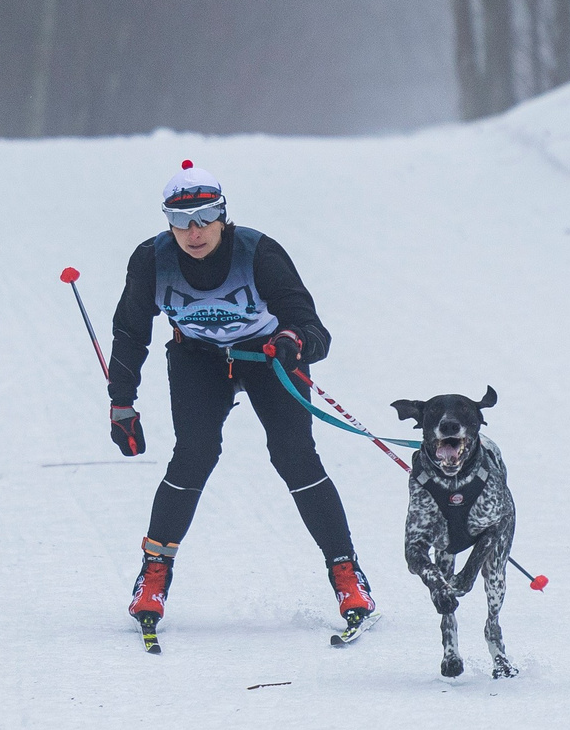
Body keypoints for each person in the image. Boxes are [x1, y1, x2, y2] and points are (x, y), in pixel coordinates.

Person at [107, 161, 373, 644]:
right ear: (166, 221)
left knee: (294, 455)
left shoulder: (259, 252)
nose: (193, 231)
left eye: (205, 216)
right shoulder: (151, 259)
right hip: (197, 359)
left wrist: (293, 340)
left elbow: (312, 326)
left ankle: (346, 573)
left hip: (266, 355)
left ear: (223, 215)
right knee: (194, 455)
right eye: (180, 219)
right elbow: (130, 331)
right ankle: (154, 576)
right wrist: (121, 404)